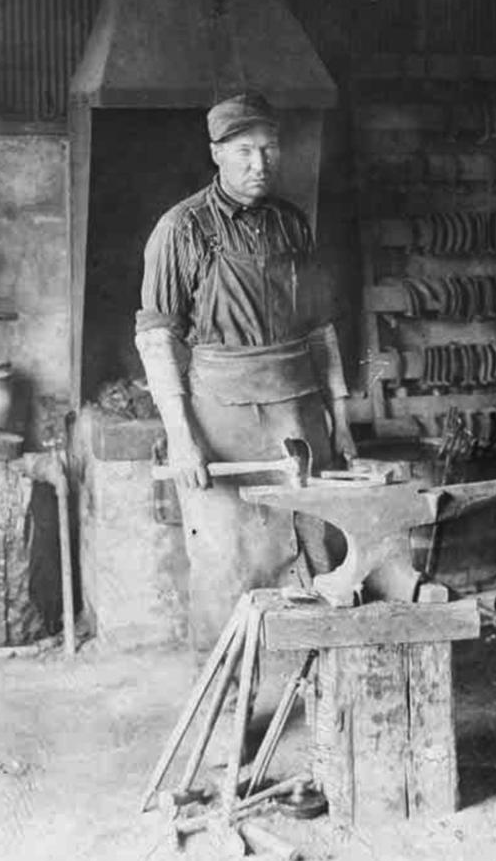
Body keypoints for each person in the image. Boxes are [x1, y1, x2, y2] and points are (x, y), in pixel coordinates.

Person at [135, 91, 356, 657]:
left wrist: (343, 417)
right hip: (221, 416)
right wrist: (183, 441)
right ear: (216, 154)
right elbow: (157, 340)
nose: (260, 164)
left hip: (298, 409)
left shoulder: (291, 224)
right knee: (226, 559)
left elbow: (320, 329)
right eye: (244, 151)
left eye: (269, 149)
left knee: (318, 544)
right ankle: (227, 699)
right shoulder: (180, 229)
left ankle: (319, 687)